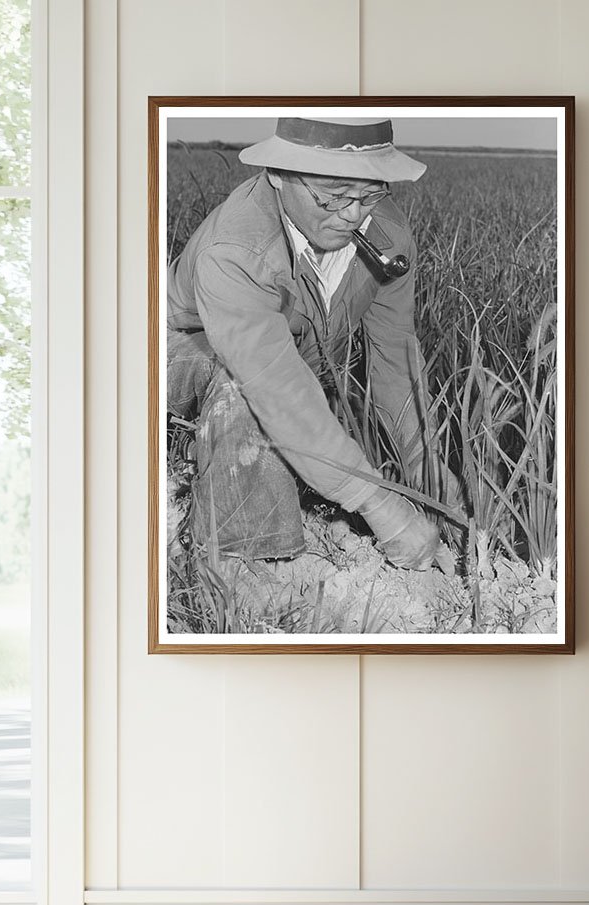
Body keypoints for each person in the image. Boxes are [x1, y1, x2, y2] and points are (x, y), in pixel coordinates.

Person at [167, 116, 456, 572]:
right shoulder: (235, 250)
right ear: (279, 176)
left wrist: (431, 475)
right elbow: (275, 387)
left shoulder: (387, 236)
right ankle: (251, 566)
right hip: (183, 354)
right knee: (242, 394)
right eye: (334, 196)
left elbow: (394, 356)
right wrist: (382, 508)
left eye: (371, 193)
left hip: (285, 358)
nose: (354, 214)